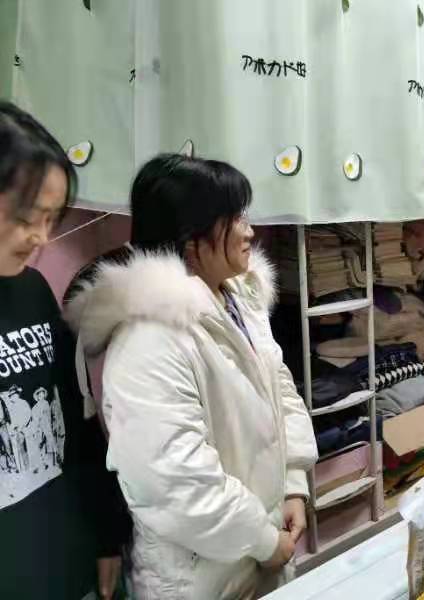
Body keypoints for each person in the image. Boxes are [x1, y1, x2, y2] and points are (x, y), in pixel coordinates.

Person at [64, 154, 318, 599]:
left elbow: (280, 389)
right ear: (191, 240)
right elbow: (176, 481)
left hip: (257, 547)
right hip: (199, 577)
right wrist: (263, 541)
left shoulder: (239, 299)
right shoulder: (148, 340)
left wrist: (293, 485)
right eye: (234, 218)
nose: (249, 231)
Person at [0, 101, 130, 599]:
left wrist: (103, 534)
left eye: (50, 219)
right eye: (27, 216)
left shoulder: (32, 288)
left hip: (64, 562)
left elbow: (74, 423)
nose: (40, 236)